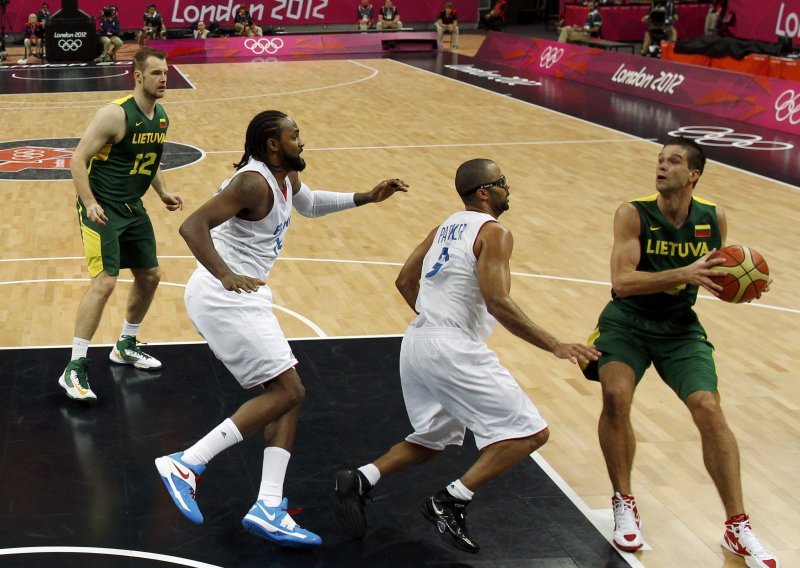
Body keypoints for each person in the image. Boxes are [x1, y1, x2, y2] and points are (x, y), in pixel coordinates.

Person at [154, 110, 408, 548]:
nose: (301, 141)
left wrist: (366, 196)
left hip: (245, 296)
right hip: (225, 296)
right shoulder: (252, 182)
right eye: (295, 135)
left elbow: (309, 204)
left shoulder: (284, 180)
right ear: (273, 144)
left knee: (286, 396)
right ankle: (187, 462)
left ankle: (268, 504)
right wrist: (224, 274)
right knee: (289, 392)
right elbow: (191, 225)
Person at [333, 158, 600, 553]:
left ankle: (361, 478)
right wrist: (556, 345)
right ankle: (451, 500)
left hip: (418, 341)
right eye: (502, 182)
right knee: (529, 432)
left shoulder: (444, 226)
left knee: (434, 438)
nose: (508, 188)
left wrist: (435, 320)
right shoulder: (495, 233)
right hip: (450, 347)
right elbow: (498, 303)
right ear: (484, 192)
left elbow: (404, 279)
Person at [580, 137, 780, 568]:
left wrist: (749, 285)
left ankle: (737, 524)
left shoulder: (713, 217)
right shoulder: (632, 213)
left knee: (709, 407)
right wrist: (685, 272)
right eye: (659, 160)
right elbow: (622, 282)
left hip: (679, 327)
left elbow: (721, 272)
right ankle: (624, 501)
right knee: (616, 396)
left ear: (693, 175)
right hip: (626, 322)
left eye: (673, 161)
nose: (661, 166)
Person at [57, 48, 183, 403]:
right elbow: (77, 160)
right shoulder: (114, 114)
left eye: (166, 73)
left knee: (151, 275)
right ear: (138, 76)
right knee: (105, 281)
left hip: (133, 207)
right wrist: (89, 202)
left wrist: (162, 193)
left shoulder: (160, 117)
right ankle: (74, 366)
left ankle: (125, 344)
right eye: (157, 73)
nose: (164, 79)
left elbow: (149, 160)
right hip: (102, 208)